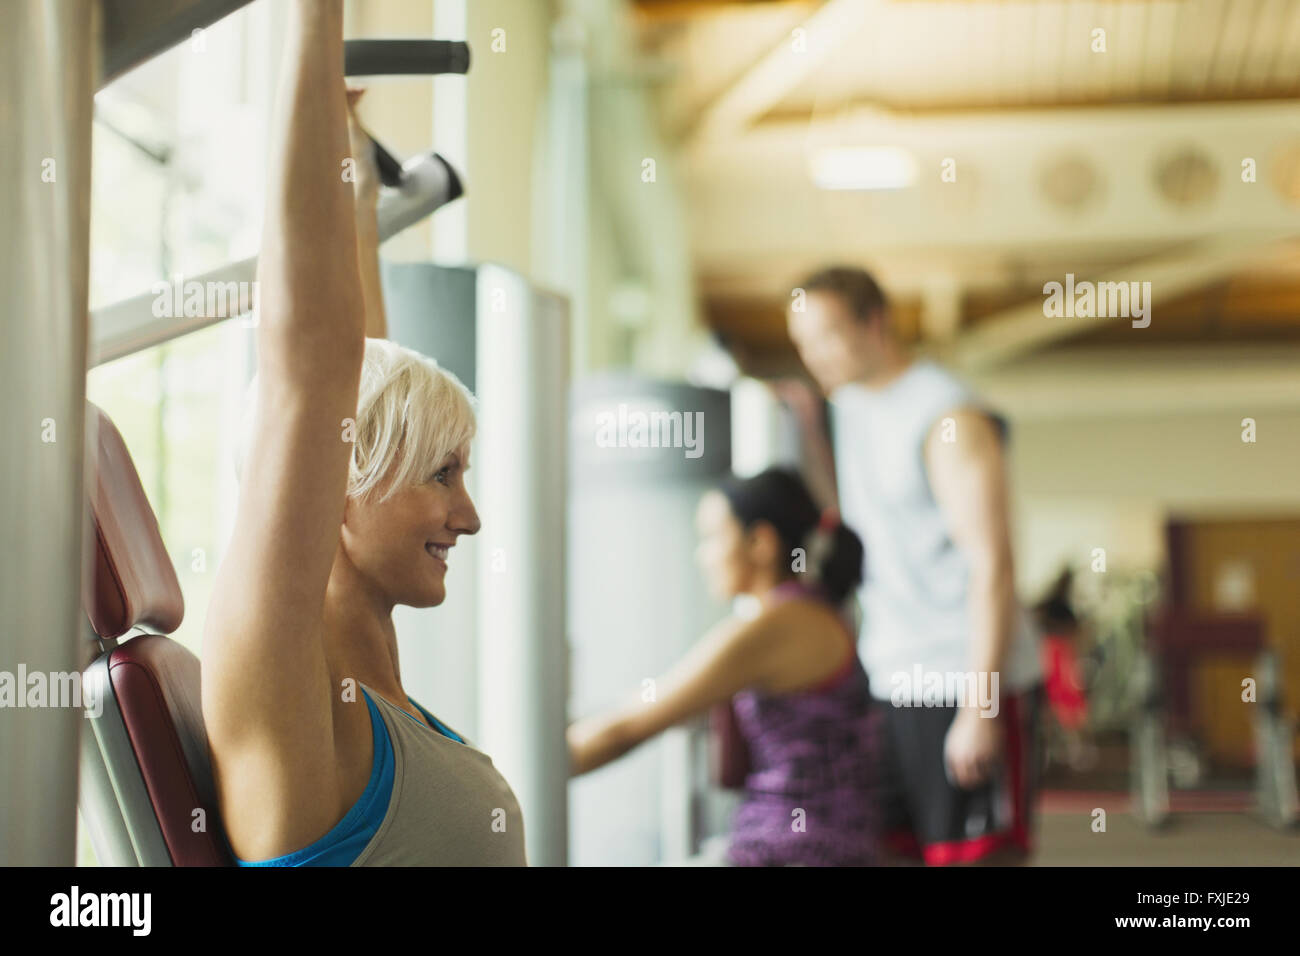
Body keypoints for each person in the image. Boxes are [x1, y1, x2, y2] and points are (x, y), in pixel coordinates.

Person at [201, 1, 526, 866]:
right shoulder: (290, 687)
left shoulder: (369, 691)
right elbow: (317, 365)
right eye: (444, 475)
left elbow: (364, 365)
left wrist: (352, 175)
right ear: (346, 476)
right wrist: (310, 24)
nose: (471, 516)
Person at [781, 265, 1043, 865]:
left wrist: (980, 708)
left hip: (962, 674)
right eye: (803, 344)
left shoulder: (948, 417)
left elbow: (994, 564)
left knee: (975, 857)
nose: (814, 356)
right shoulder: (847, 407)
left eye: (826, 336)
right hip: (893, 677)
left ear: (875, 323)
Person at [567, 467, 879, 866]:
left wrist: (496, 773)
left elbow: (624, 728)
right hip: (827, 844)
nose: (703, 556)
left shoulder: (777, 626)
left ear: (760, 542)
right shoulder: (812, 611)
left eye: (713, 538)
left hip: (798, 850)